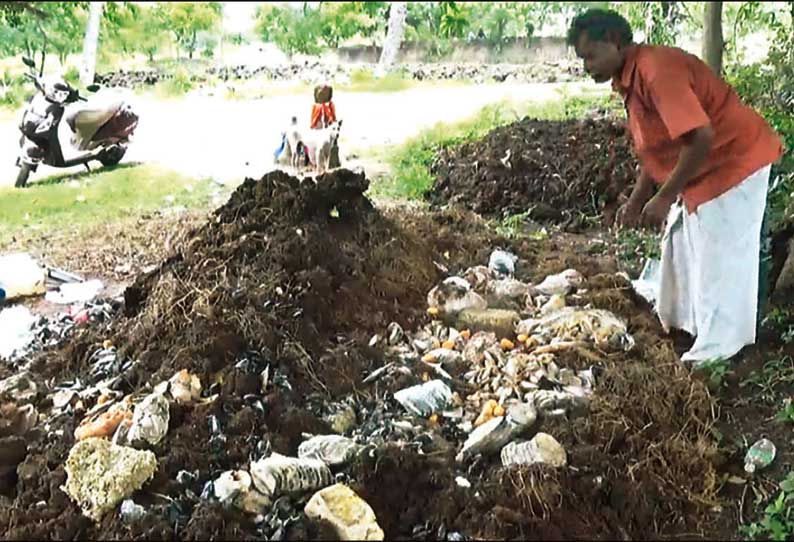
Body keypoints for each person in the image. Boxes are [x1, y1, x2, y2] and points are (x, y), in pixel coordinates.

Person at [567, 8, 784, 366]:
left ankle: (720, 352)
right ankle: (686, 327)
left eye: (590, 56)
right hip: (703, 169)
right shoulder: (630, 79)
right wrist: (638, 200)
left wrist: (665, 197)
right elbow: (658, 147)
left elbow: (700, 137)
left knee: (721, 259)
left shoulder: (656, 71)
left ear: (615, 42)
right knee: (682, 246)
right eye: (582, 60)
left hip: (733, 161)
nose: (587, 66)